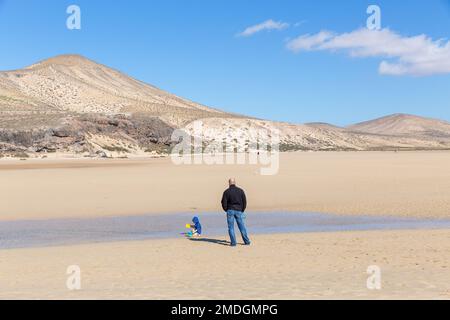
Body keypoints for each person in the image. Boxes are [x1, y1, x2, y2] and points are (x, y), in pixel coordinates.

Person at [221, 178, 251, 247]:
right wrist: (242, 210)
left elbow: (223, 203)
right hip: (238, 210)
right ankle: (246, 241)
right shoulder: (240, 191)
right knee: (241, 226)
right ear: (235, 182)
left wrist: (226, 209)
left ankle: (233, 243)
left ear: (229, 183)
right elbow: (244, 201)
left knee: (231, 227)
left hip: (230, 210)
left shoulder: (226, 192)